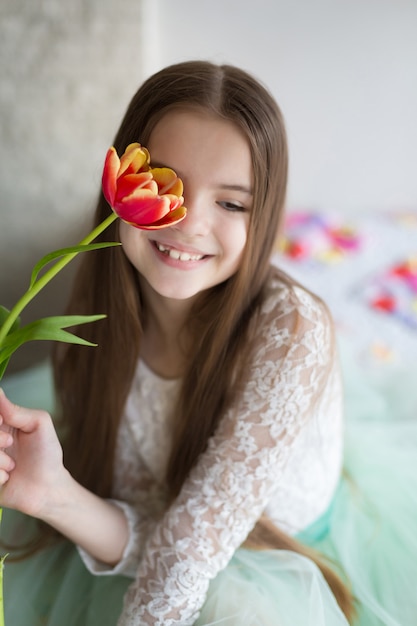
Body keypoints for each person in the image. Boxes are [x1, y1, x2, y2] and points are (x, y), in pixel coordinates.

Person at [1, 60, 417, 626]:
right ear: (120, 185)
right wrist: (51, 495)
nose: (188, 222)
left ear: (263, 217)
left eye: (230, 203)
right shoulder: (100, 303)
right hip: (142, 540)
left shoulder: (292, 333)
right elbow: (154, 529)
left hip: (282, 560)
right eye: (165, 184)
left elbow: (187, 553)